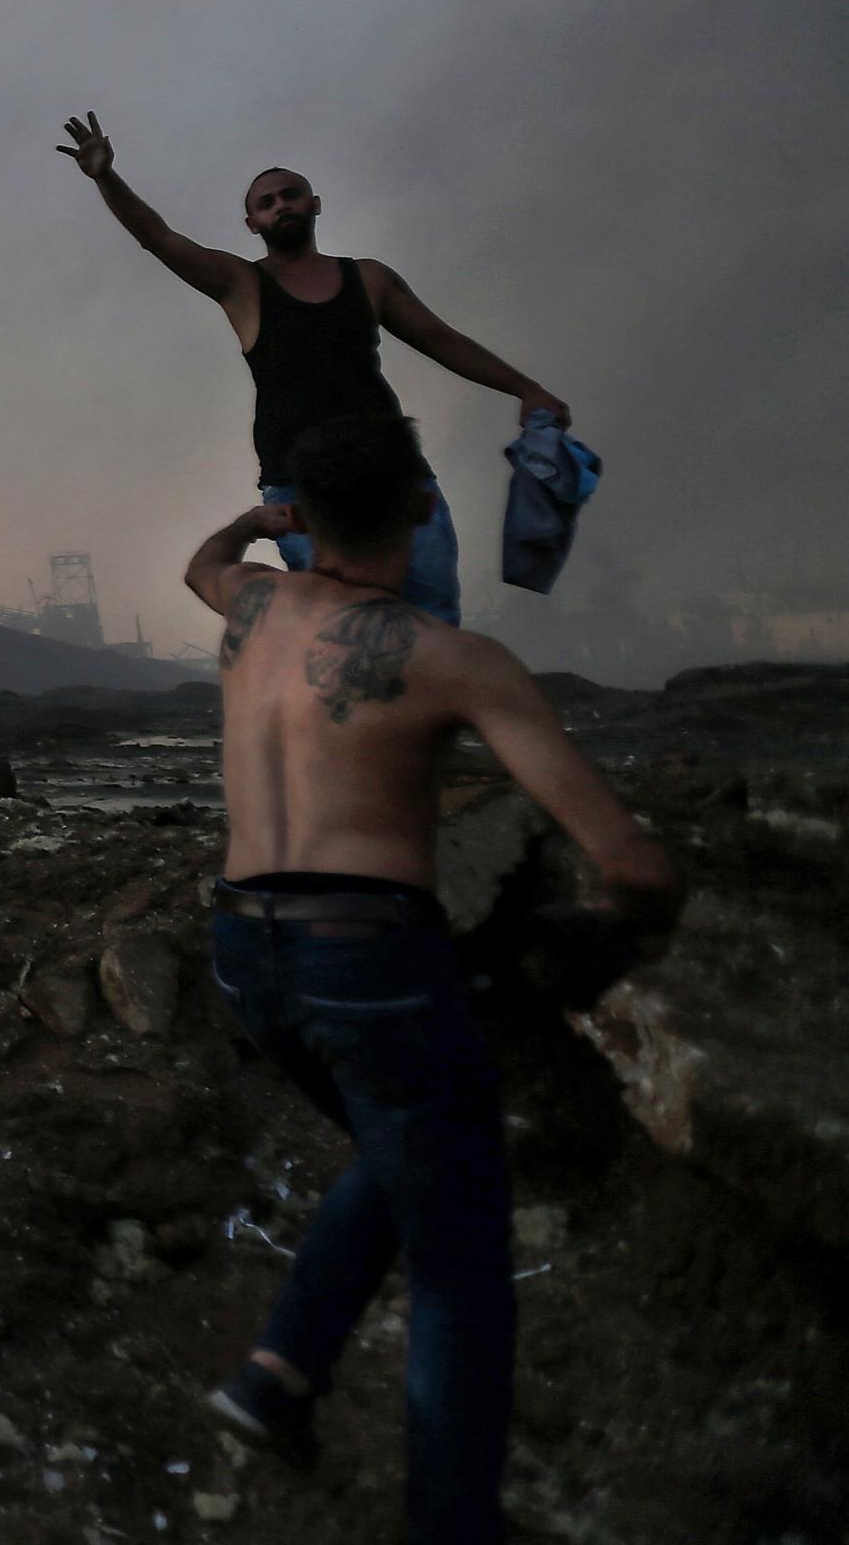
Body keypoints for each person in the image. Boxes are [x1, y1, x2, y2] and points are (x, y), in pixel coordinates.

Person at [181, 412, 678, 1543]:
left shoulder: (252, 602)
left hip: (243, 948)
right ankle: (452, 1522)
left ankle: (276, 1374)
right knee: (459, 1252)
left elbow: (201, 562)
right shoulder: (455, 659)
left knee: (407, 1146)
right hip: (366, 950)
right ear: (423, 508)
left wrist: (263, 520)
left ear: (301, 514)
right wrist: (630, 918)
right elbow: (631, 860)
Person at [58, 112, 570, 623]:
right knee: (341, 627)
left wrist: (526, 389)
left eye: (290, 194)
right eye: (267, 202)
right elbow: (162, 240)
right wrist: (106, 176)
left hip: (396, 478)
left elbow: (441, 339)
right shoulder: (243, 286)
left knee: (431, 620)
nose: (281, 205)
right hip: (301, 489)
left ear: (314, 205)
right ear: (252, 224)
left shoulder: (368, 279)